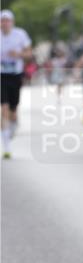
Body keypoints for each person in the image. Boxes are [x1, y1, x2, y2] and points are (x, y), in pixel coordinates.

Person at [1, 9, 33, 159]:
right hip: (1, 76)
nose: (5, 23)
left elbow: (29, 54)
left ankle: (13, 123)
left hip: (15, 75)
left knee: (13, 108)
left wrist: (18, 54)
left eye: (7, 21)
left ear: (12, 22)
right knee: (4, 108)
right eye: (2, 20)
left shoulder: (20, 34)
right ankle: (6, 145)